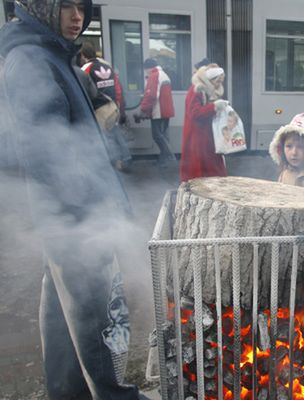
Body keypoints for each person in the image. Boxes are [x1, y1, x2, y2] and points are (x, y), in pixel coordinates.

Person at [0, 0, 147, 399]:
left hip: (66, 220)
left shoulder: (50, 55)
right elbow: (45, 152)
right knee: (99, 326)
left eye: (82, 6)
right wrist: (88, 223)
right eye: (65, 5)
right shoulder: (32, 59)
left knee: (67, 323)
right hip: (76, 220)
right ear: (42, 7)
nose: (77, 16)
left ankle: (66, 394)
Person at [80, 41, 132, 171]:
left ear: (82, 55)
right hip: (113, 107)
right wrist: (120, 106)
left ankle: (111, 163)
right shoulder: (107, 66)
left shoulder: (85, 69)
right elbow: (117, 87)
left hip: (100, 109)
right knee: (115, 133)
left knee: (104, 137)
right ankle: (126, 159)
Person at [179, 64, 229, 181]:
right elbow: (194, 113)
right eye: (217, 81)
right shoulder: (197, 90)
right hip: (198, 137)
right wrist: (214, 107)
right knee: (200, 171)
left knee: (210, 169)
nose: (219, 84)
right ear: (210, 79)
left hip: (206, 136)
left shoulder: (207, 90)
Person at [137, 58, 176, 168]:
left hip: (159, 111)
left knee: (157, 135)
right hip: (166, 110)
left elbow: (151, 95)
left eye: (145, 70)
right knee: (163, 135)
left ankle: (170, 156)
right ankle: (163, 161)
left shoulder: (154, 75)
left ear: (148, 68)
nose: (146, 73)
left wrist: (143, 110)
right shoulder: (163, 74)